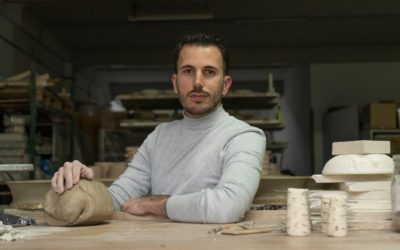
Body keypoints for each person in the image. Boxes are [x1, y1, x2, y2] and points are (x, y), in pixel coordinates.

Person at [51, 33, 266, 224]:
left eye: (209, 72)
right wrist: (86, 187)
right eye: (188, 71)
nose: (198, 82)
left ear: (226, 85)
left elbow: (227, 207)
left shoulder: (244, 136)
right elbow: (119, 199)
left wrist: (154, 205)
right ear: (175, 82)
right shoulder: (160, 136)